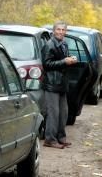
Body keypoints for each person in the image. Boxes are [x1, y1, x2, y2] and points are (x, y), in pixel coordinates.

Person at [41, 21, 77, 149]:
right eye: (58, 29)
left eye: (63, 30)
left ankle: (61, 138)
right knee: (53, 113)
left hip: (62, 84)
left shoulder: (64, 44)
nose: (61, 32)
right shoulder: (49, 45)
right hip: (51, 84)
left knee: (63, 113)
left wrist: (70, 59)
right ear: (54, 31)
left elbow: (63, 60)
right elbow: (46, 65)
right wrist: (64, 61)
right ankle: (50, 140)